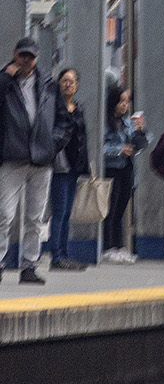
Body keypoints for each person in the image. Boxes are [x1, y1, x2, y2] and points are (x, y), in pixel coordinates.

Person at [0, 37, 65, 285]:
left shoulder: (48, 84)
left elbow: (63, 119)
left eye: (30, 56)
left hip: (41, 159)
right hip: (12, 157)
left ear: (36, 58)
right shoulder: (5, 82)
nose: (26, 60)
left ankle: (29, 265)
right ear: (14, 54)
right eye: (22, 55)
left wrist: (53, 143)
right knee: (4, 214)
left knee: (35, 217)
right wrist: (6, 78)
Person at [48, 67, 91, 271]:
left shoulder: (78, 108)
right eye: (64, 80)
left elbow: (82, 139)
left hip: (74, 165)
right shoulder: (53, 108)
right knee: (59, 211)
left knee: (66, 212)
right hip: (59, 165)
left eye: (72, 81)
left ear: (77, 85)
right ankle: (56, 256)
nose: (68, 84)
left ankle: (64, 254)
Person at [100, 85, 148, 264]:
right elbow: (99, 148)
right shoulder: (105, 122)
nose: (124, 105)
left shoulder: (127, 122)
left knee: (121, 209)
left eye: (127, 101)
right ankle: (108, 246)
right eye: (121, 101)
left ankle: (119, 246)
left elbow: (140, 145)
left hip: (127, 169)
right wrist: (119, 150)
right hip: (111, 168)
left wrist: (140, 132)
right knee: (110, 209)